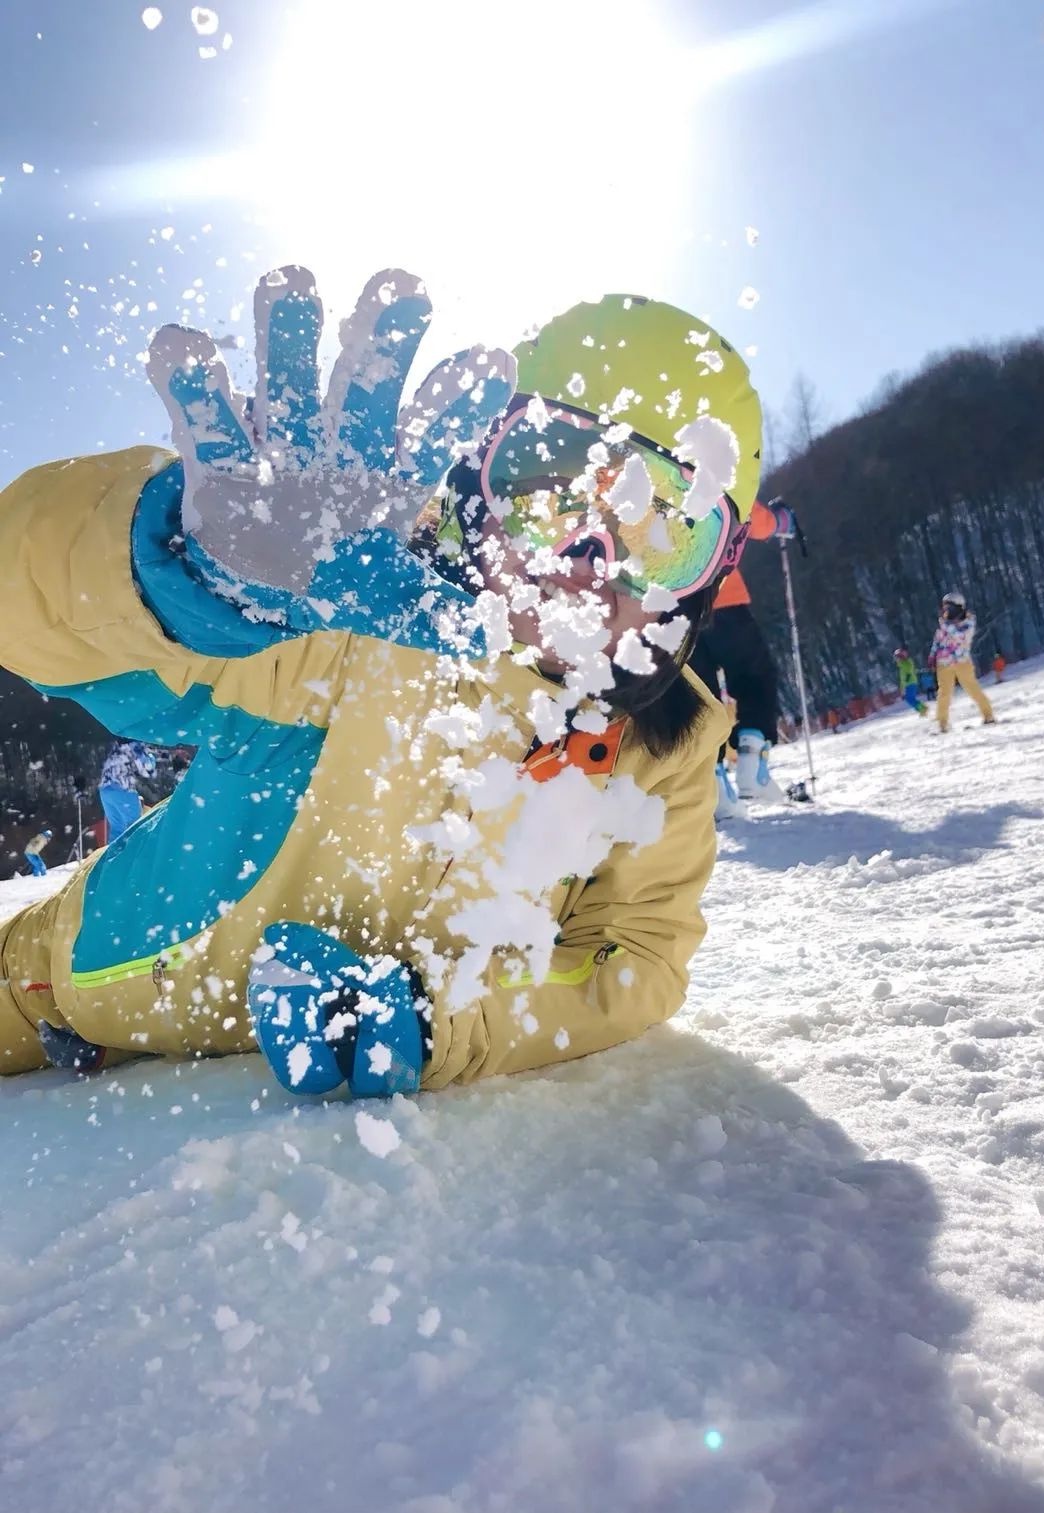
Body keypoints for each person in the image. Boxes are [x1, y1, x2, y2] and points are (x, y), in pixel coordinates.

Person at [0, 267, 762, 1092]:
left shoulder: (663, 754)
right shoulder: (347, 626)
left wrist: (438, 1012)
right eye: (546, 496)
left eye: (663, 534)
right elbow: (39, 628)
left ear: (711, 577)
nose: (587, 566)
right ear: (477, 495)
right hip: (50, 979)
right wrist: (181, 583)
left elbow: (635, 954)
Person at [689, 497, 790, 813]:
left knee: (699, 695)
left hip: (671, 613)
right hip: (722, 598)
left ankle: (716, 785)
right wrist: (781, 521)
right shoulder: (705, 465)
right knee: (754, 676)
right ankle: (751, 762)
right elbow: (750, 516)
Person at [930, 590, 995, 732]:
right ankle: (942, 723)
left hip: (961, 662)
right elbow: (938, 639)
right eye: (945, 607)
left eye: (949, 607)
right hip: (944, 662)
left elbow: (960, 636)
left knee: (972, 688)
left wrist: (946, 625)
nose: (946, 610)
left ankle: (988, 714)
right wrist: (932, 655)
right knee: (944, 693)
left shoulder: (968, 622)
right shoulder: (944, 623)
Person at [97, 739, 157, 843]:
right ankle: (137, 854)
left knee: (117, 828)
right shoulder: (136, 746)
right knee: (135, 826)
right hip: (122, 788)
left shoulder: (116, 747)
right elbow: (147, 768)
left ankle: (114, 857)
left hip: (105, 789)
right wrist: (151, 757)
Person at [893, 646, 927, 716]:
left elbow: (909, 668)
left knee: (909, 698)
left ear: (901, 657)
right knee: (909, 698)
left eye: (897, 657)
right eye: (896, 658)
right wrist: (902, 689)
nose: (896, 659)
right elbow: (902, 680)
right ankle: (922, 709)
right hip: (907, 684)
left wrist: (908, 676)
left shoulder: (906, 662)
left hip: (911, 682)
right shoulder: (901, 666)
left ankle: (922, 709)